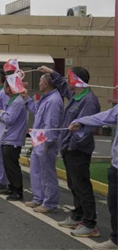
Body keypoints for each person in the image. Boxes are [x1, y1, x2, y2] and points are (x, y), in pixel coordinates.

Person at [40, 66, 101, 237]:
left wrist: (73, 145)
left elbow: (87, 127)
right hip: (68, 148)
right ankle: (78, 215)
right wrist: (50, 72)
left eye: (70, 77)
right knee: (73, 184)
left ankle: (90, 224)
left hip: (78, 150)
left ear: (77, 80)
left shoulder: (89, 101)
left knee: (82, 185)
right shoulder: (76, 95)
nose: (67, 80)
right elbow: (60, 83)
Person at [69, 104, 118, 249]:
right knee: (114, 204)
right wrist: (81, 122)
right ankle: (116, 240)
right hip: (116, 166)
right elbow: (104, 117)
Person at [24, 73, 63, 213]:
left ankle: (50, 202)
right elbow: (36, 111)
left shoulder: (53, 100)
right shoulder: (46, 99)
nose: (39, 84)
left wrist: (47, 143)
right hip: (38, 141)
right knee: (36, 171)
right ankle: (38, 197)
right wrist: (26, 98)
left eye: (40, 81)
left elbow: (51, 125)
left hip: (45, 142)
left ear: (46, 84)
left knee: (47, 173)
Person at [0, 80, 28, 202]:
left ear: (9, 89)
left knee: (12, 165)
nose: (4, 89)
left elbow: (9, 119)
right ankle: (11, 187)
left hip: (13, 138)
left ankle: (17, 190)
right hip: (7, 137)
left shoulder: (17, 102)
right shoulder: (12, 101)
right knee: (7, 164)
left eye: (5, 87)